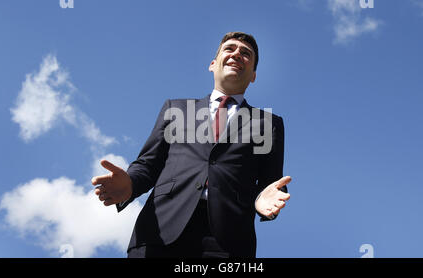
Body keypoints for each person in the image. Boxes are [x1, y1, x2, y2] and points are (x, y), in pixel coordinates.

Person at [91, 32, 292, 258]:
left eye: (246, 54)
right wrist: (130, 184)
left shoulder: (267, 123)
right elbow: (148, 165)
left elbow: (271, 184)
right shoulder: (176, 109)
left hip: (228, 242)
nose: (237, 54)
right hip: (160, 231)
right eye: (230, 49)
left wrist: (264, 202)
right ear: (212, 64)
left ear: (253, 75)